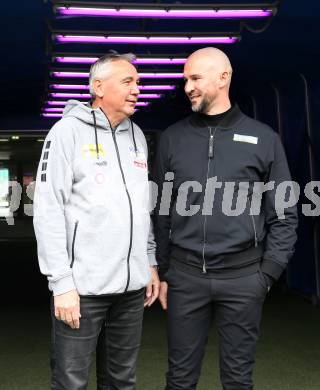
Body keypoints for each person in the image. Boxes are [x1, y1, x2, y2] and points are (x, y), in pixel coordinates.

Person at [153, 47, 298, 390]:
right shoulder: (172, 138)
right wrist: (163, 268)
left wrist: (268, 273)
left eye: (195, 78)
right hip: (185, 277)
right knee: (180, 378)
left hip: (245, 277)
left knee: (237, 379)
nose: (187, 86)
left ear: (223, 77)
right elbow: (159, 209)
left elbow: (285, 212)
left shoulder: (264, 139)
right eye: (185, 78)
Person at [33, 52, 160, 390]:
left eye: (138, 81)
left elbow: (141, 207)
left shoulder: (137, 136)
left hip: (131, 290)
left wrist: (148, 261)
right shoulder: (66, 133)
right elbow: (48, 209)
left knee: (121, 380)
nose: (137, 89)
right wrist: (61, 283)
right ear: (98, 87)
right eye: (128, 81)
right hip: (82, 288)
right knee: (71, 381)